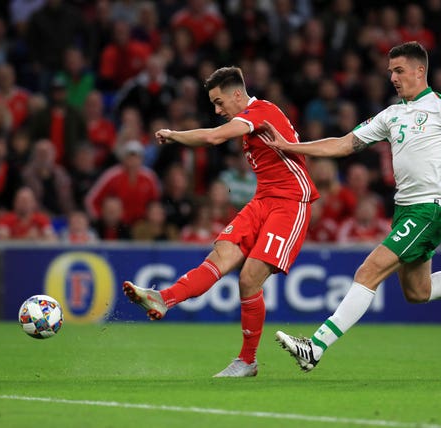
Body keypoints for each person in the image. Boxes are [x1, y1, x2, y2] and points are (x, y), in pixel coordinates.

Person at [261, 42, 441, 372]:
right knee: (419, 291)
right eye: (390, 71)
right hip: (405, 211)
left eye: (399, 70)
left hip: (429, 210)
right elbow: (345, 144)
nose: (392, 76)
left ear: (420, 71)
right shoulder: (391, 114)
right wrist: (289, 146)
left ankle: (315, 347)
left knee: (368, 271)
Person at [122, 66, 318, 377]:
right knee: (221, 254)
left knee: (248, 279)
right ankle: (163, 299)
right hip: (263, 200)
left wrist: (174, 134)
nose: (217, 110)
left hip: (290, 202)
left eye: (219, 102)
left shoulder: (260, 111)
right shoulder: (249, 117)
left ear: (238, 95)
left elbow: (213, 137)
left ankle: (247, 360)